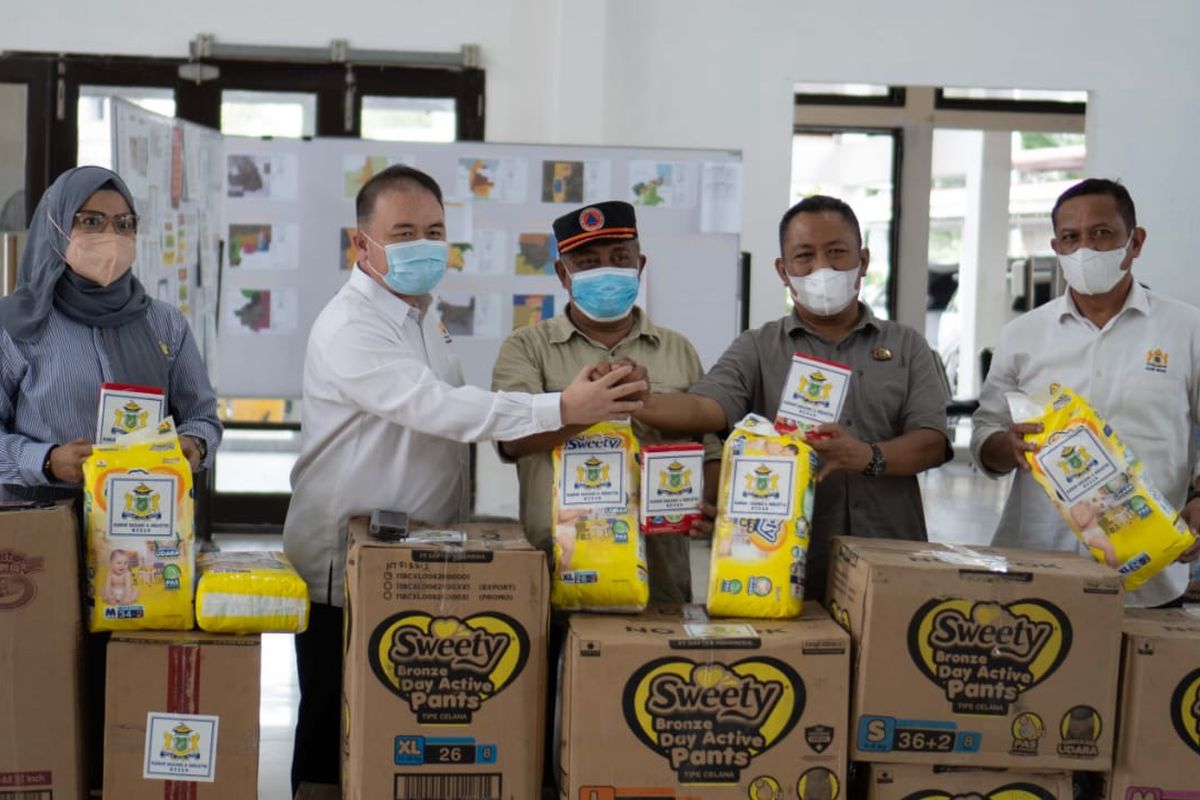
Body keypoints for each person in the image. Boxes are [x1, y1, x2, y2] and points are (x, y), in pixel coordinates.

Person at [282, 167, 646, 799]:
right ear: (361, 243)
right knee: (330, 724)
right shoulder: (351, 326)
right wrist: (563, 407)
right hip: (344, 567)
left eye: (434, 231)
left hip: (409, 556)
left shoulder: (422, 313)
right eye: (403, 233)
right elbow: (441, 408)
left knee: (390, 721)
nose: (423, 246)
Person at [0, 165, 222, 794]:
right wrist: (47, 460)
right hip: (39, 538)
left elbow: (204, 416)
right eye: (91, 221)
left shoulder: (163, 326)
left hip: (141, 541)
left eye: (124, 225)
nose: (111, 238)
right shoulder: (16, 327)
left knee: (128, 685)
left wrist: (188, 448)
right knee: (41, 687)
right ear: (55, 227)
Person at [635, 195, 951, 601]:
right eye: (805, 256)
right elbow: (706, 407)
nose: (822, 268)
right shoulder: (757, 348)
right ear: (783, 271)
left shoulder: (907, 345)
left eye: (836, 252)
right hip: (779, 563)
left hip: (888, 557)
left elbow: (932, 441)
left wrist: (866, 455)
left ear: (863, 261)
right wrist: (640, 400)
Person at [971, 178, 1200, 607]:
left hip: (1149, 572)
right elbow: (985, 431)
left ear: (1135, 242)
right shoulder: (1022, 335)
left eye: (1101, 234)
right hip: (1038, 564)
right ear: (1056, 247)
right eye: (1071, 238)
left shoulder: (1187, 330)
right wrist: (1006, 445)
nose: (1085, 250)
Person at [491, 200, 721, 605]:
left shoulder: (678, 349)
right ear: (563, 274)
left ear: (640, 265)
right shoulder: (526, 347)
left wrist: (710, 503)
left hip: (661, 574)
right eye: (588, 262)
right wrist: (590, 407)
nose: (606, 271)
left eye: (619, 258)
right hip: (556, 570)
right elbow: (511, 438)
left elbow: (709, 447)